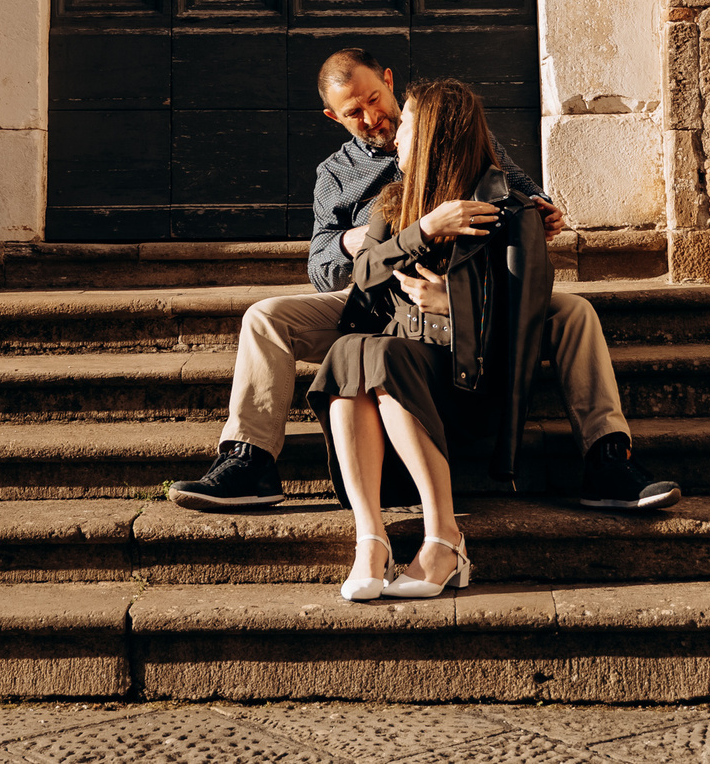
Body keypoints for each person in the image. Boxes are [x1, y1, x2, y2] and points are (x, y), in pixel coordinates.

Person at [167, 47, 681, 514]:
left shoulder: (449, 127)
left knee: (575, 314)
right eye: (354, 113)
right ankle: (249, 460)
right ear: (333, 118)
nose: (373, 118)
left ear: (389, 81)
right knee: (265, 317)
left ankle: (607, 456)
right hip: (376, 301)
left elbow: (518, 191)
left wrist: (542, 213)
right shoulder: (336, 174)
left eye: (375, 99)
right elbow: (321, 266)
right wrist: (358, 241)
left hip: (468, 291)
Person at [315, 78, 537, 600]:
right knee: (351, 348)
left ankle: (444, 537)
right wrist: (424, 229)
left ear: (437, 133)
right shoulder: (391, 202)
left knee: (379, 354)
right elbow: (364, 271)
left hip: (465, 382)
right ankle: (370, 539)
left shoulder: (508, 209)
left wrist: (454, 304)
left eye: (409, 124)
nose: (397, 135)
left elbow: (522, 318)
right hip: (396, 373)